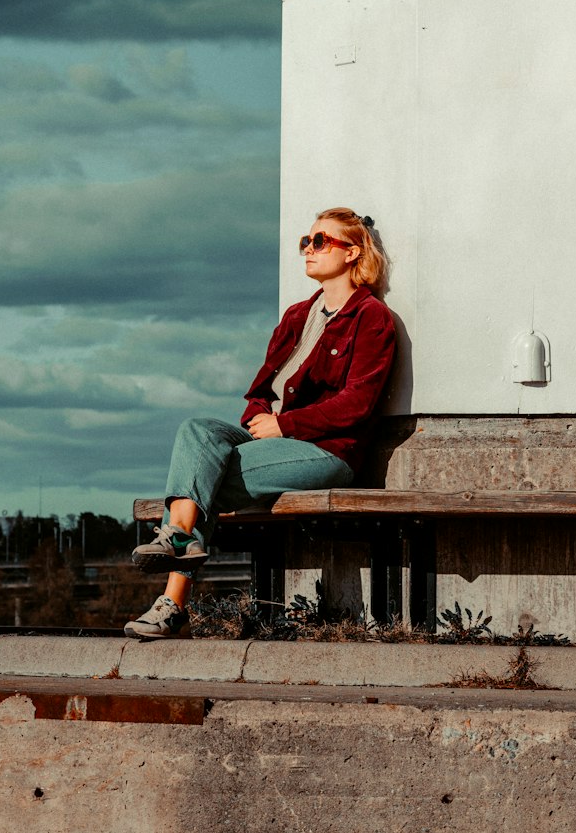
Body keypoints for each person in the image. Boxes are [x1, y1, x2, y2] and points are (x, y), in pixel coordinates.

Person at [124, 206, 396, 640]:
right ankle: (178, 539)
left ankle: (172, 600)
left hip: (327, 451)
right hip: (270, 440)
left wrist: (284, 425)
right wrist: (259, 417)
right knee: (198, 431)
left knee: (205, 479)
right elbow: (259, 392)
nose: (308, 249)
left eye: (320, 241)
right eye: (305, 241)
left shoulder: (372, 319)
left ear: (352, 253)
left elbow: (356, 405)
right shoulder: (295, 317)